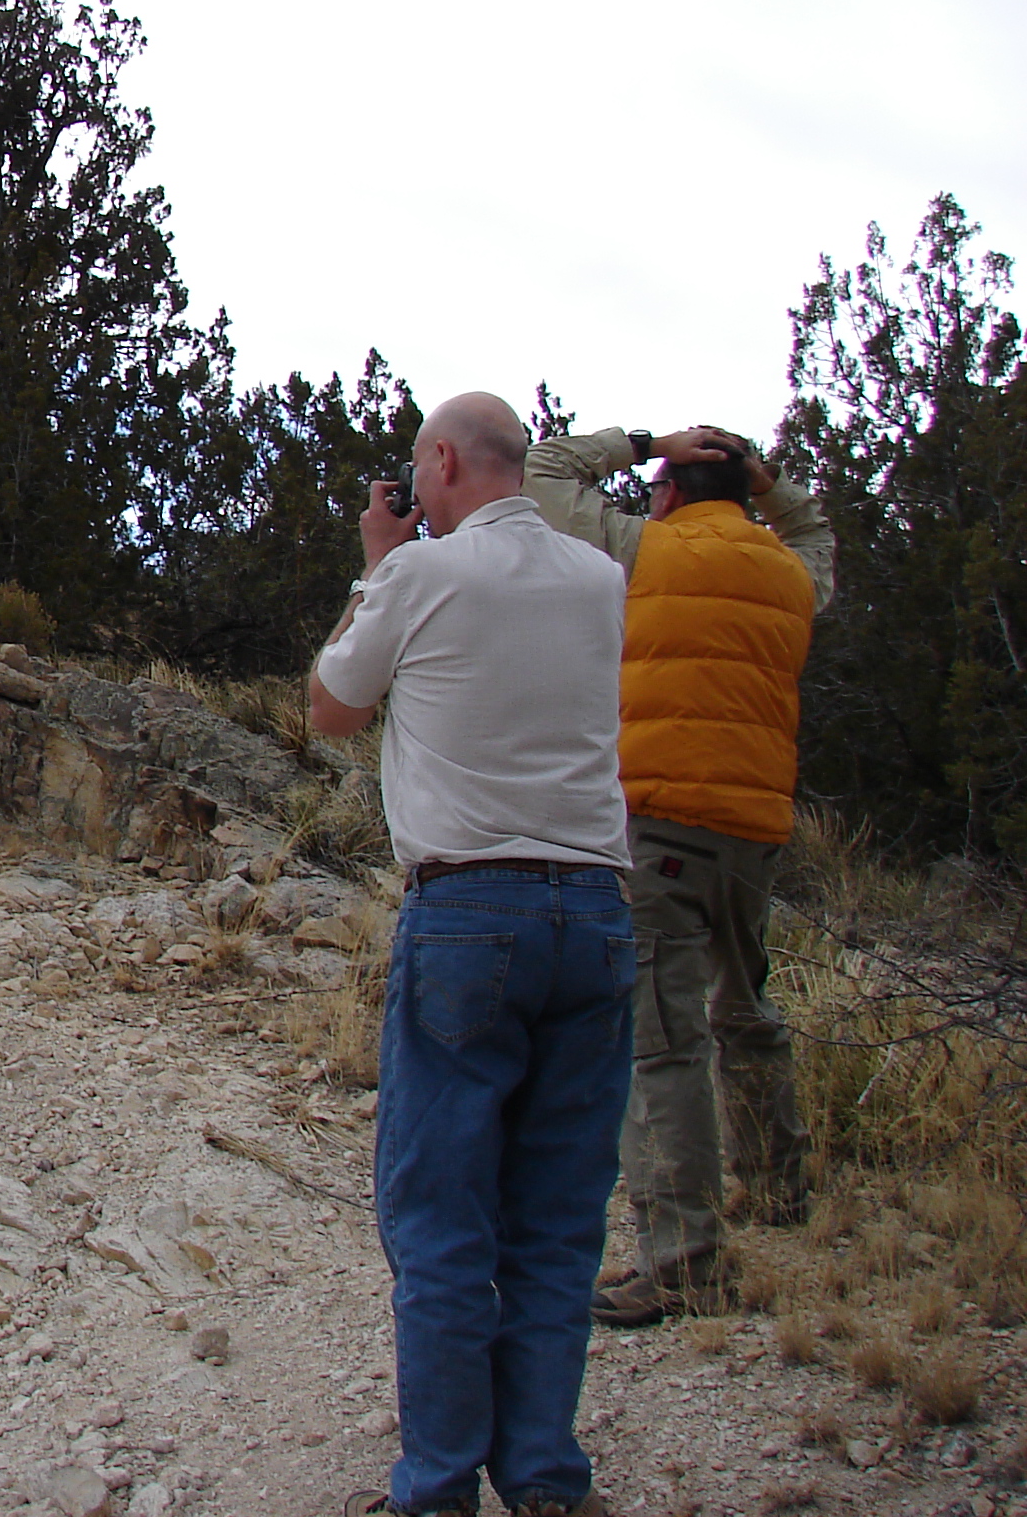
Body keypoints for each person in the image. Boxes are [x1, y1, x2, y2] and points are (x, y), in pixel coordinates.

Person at [310, 391, 635, 1517]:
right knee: (557, 1218)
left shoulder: (419, 574)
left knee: (444, 1216)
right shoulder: (602, 578)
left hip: (468, 911)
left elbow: (331, 707)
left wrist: (375, 565)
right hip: (596, 911)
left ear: (441, 461)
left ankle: (440, 1486)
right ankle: (543, 1476)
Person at [522, 423, 832, 1327]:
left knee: (663, 1039)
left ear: (666, 493)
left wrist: (648, 438)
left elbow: (546, 469)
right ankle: (779, 1189)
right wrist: (768, 484)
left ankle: (684, 1261)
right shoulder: (788, 572)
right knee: (746, 1006)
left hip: (660, 818)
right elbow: (815, 534)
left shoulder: (644, 550)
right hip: (756, 825)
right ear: (742, 495)